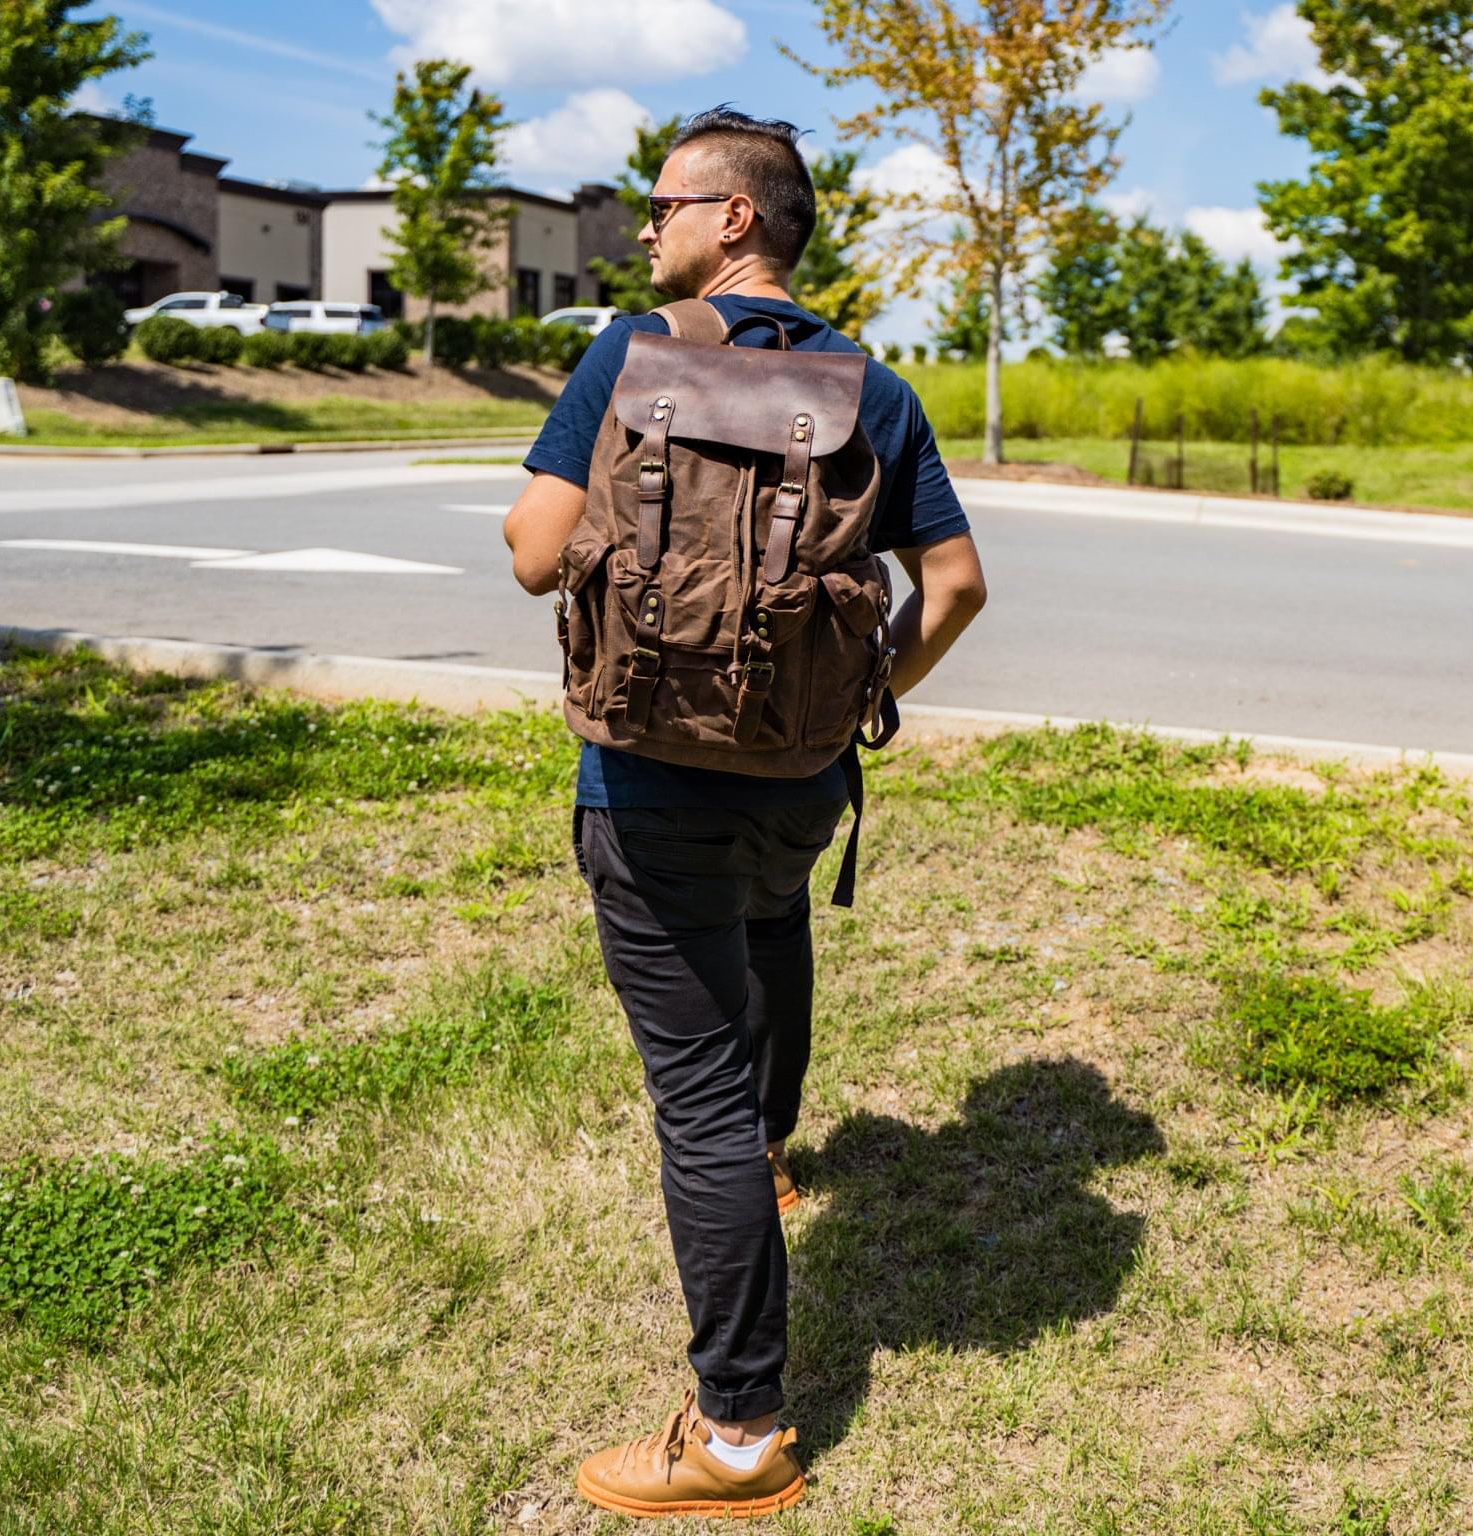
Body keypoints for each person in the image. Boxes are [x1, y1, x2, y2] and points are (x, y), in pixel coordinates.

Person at [502, 106, 989, 1518]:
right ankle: (771, 1154)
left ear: (736, 220)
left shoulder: (627, 358)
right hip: (798, 782)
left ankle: (738, 1435)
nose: (641, 229)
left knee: (692, 1100)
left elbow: (536, 559)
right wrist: (860, 696)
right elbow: (954, 588)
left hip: (647, 781)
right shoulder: (873, 390)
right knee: (774, 920)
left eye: (662, 206)